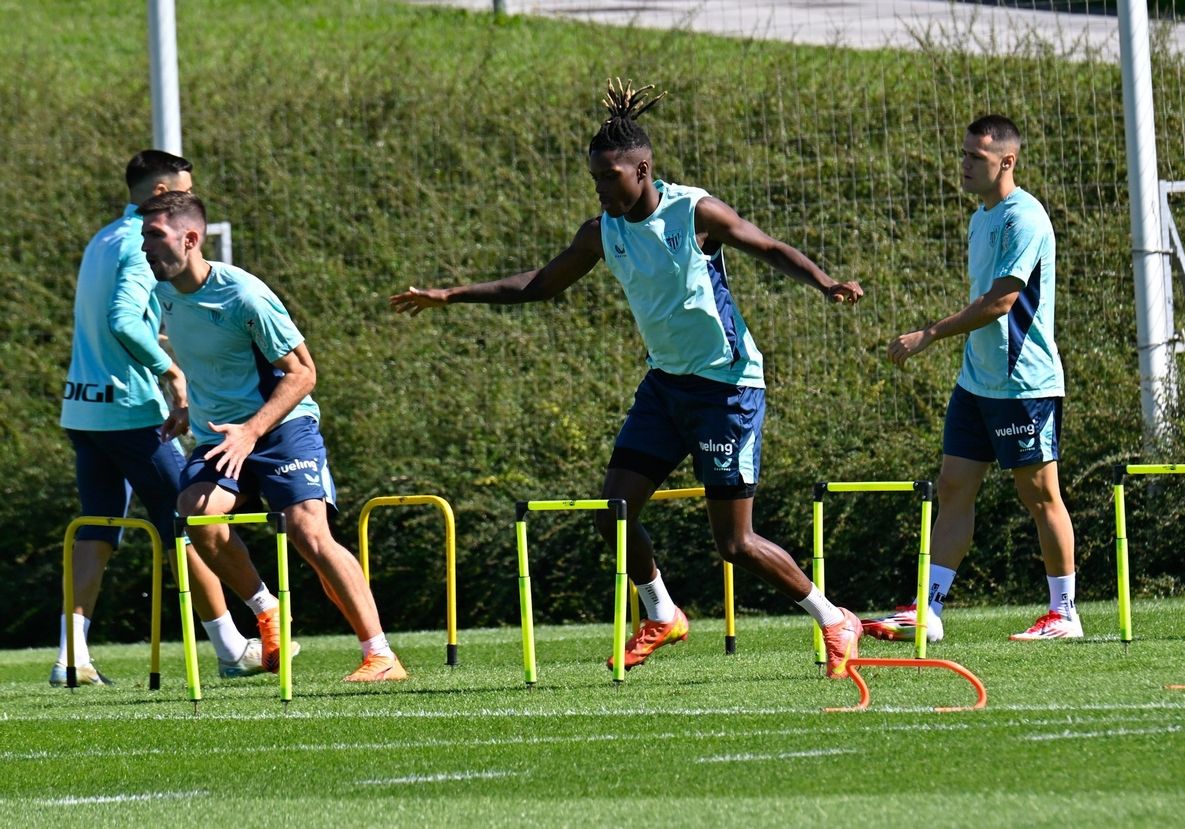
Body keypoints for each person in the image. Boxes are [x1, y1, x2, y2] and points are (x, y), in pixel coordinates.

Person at [391, 79, 866, 678]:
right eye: (594, 179)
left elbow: (767, 247)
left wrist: (825, 283)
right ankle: (662, 614)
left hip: (727, 389)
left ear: (643, 169)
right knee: (613, 513)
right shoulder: (601, 232)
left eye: (609, 177)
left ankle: (833, 618)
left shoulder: (695, 212)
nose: (600, 188)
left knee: (735, 544)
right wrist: (450, 295)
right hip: (665, 387)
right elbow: (539, 284)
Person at [138, 190, 407, 682]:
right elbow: (212, 364)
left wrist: (251, 431)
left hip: (282, 427)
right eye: (144, 237)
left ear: (191, 239)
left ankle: (381, 654)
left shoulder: (245, 297)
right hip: (222, 435)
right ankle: (267, 611)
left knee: (309, 534)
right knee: (195, 514)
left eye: (155, 236)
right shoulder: (164, 293)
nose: (145, 247)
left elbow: (303, 373)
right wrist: (187, 408)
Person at [56, 150, 284, 686]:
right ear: (162, 195)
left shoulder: (102, 238)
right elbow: (121, 320)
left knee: (96, 528)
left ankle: (71, 656)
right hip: (131, 410)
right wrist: (170, 370)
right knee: (190, 522)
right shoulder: (145, 241)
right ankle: (231, 648)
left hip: (82, 406)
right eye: (184, 189)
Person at [868, 114, 1081, 643]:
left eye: (975, 157)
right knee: (953, 487)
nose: (963, 164)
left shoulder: (1024, 218)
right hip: (976, 382)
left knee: (1040, 495)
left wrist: (930, 333)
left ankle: (1064, 613)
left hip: (1022, 384)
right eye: (963, 154)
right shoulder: (980, 217)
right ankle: (930, 608)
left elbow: (1001, 302)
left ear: (1007, 161)